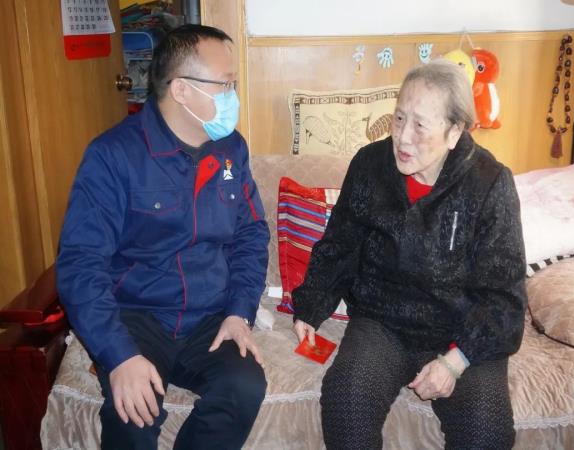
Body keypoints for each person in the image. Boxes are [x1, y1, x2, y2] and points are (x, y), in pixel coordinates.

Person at [292, 60, 527, 450]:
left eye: (420, 125)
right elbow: (340, 245)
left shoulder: (489, 182)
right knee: (345, 401)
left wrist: (456, 361)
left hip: (461, 328)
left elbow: (505, 298)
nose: (402, 138)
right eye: (399, 118)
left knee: (486, 432)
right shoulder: (370, 165)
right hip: (384, 322)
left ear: (454, 132)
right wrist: (310, 308)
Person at [56, 24, 269, 450]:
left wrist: (238, 313)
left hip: (209, 316)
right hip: (137, 315)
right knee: (133, 417)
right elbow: (80, 264)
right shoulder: (113, 155)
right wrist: (118, 355)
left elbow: (250, 234)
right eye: (226, 84)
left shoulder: (231, 149)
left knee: (244, 385)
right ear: (182, 90)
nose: (233, 96)